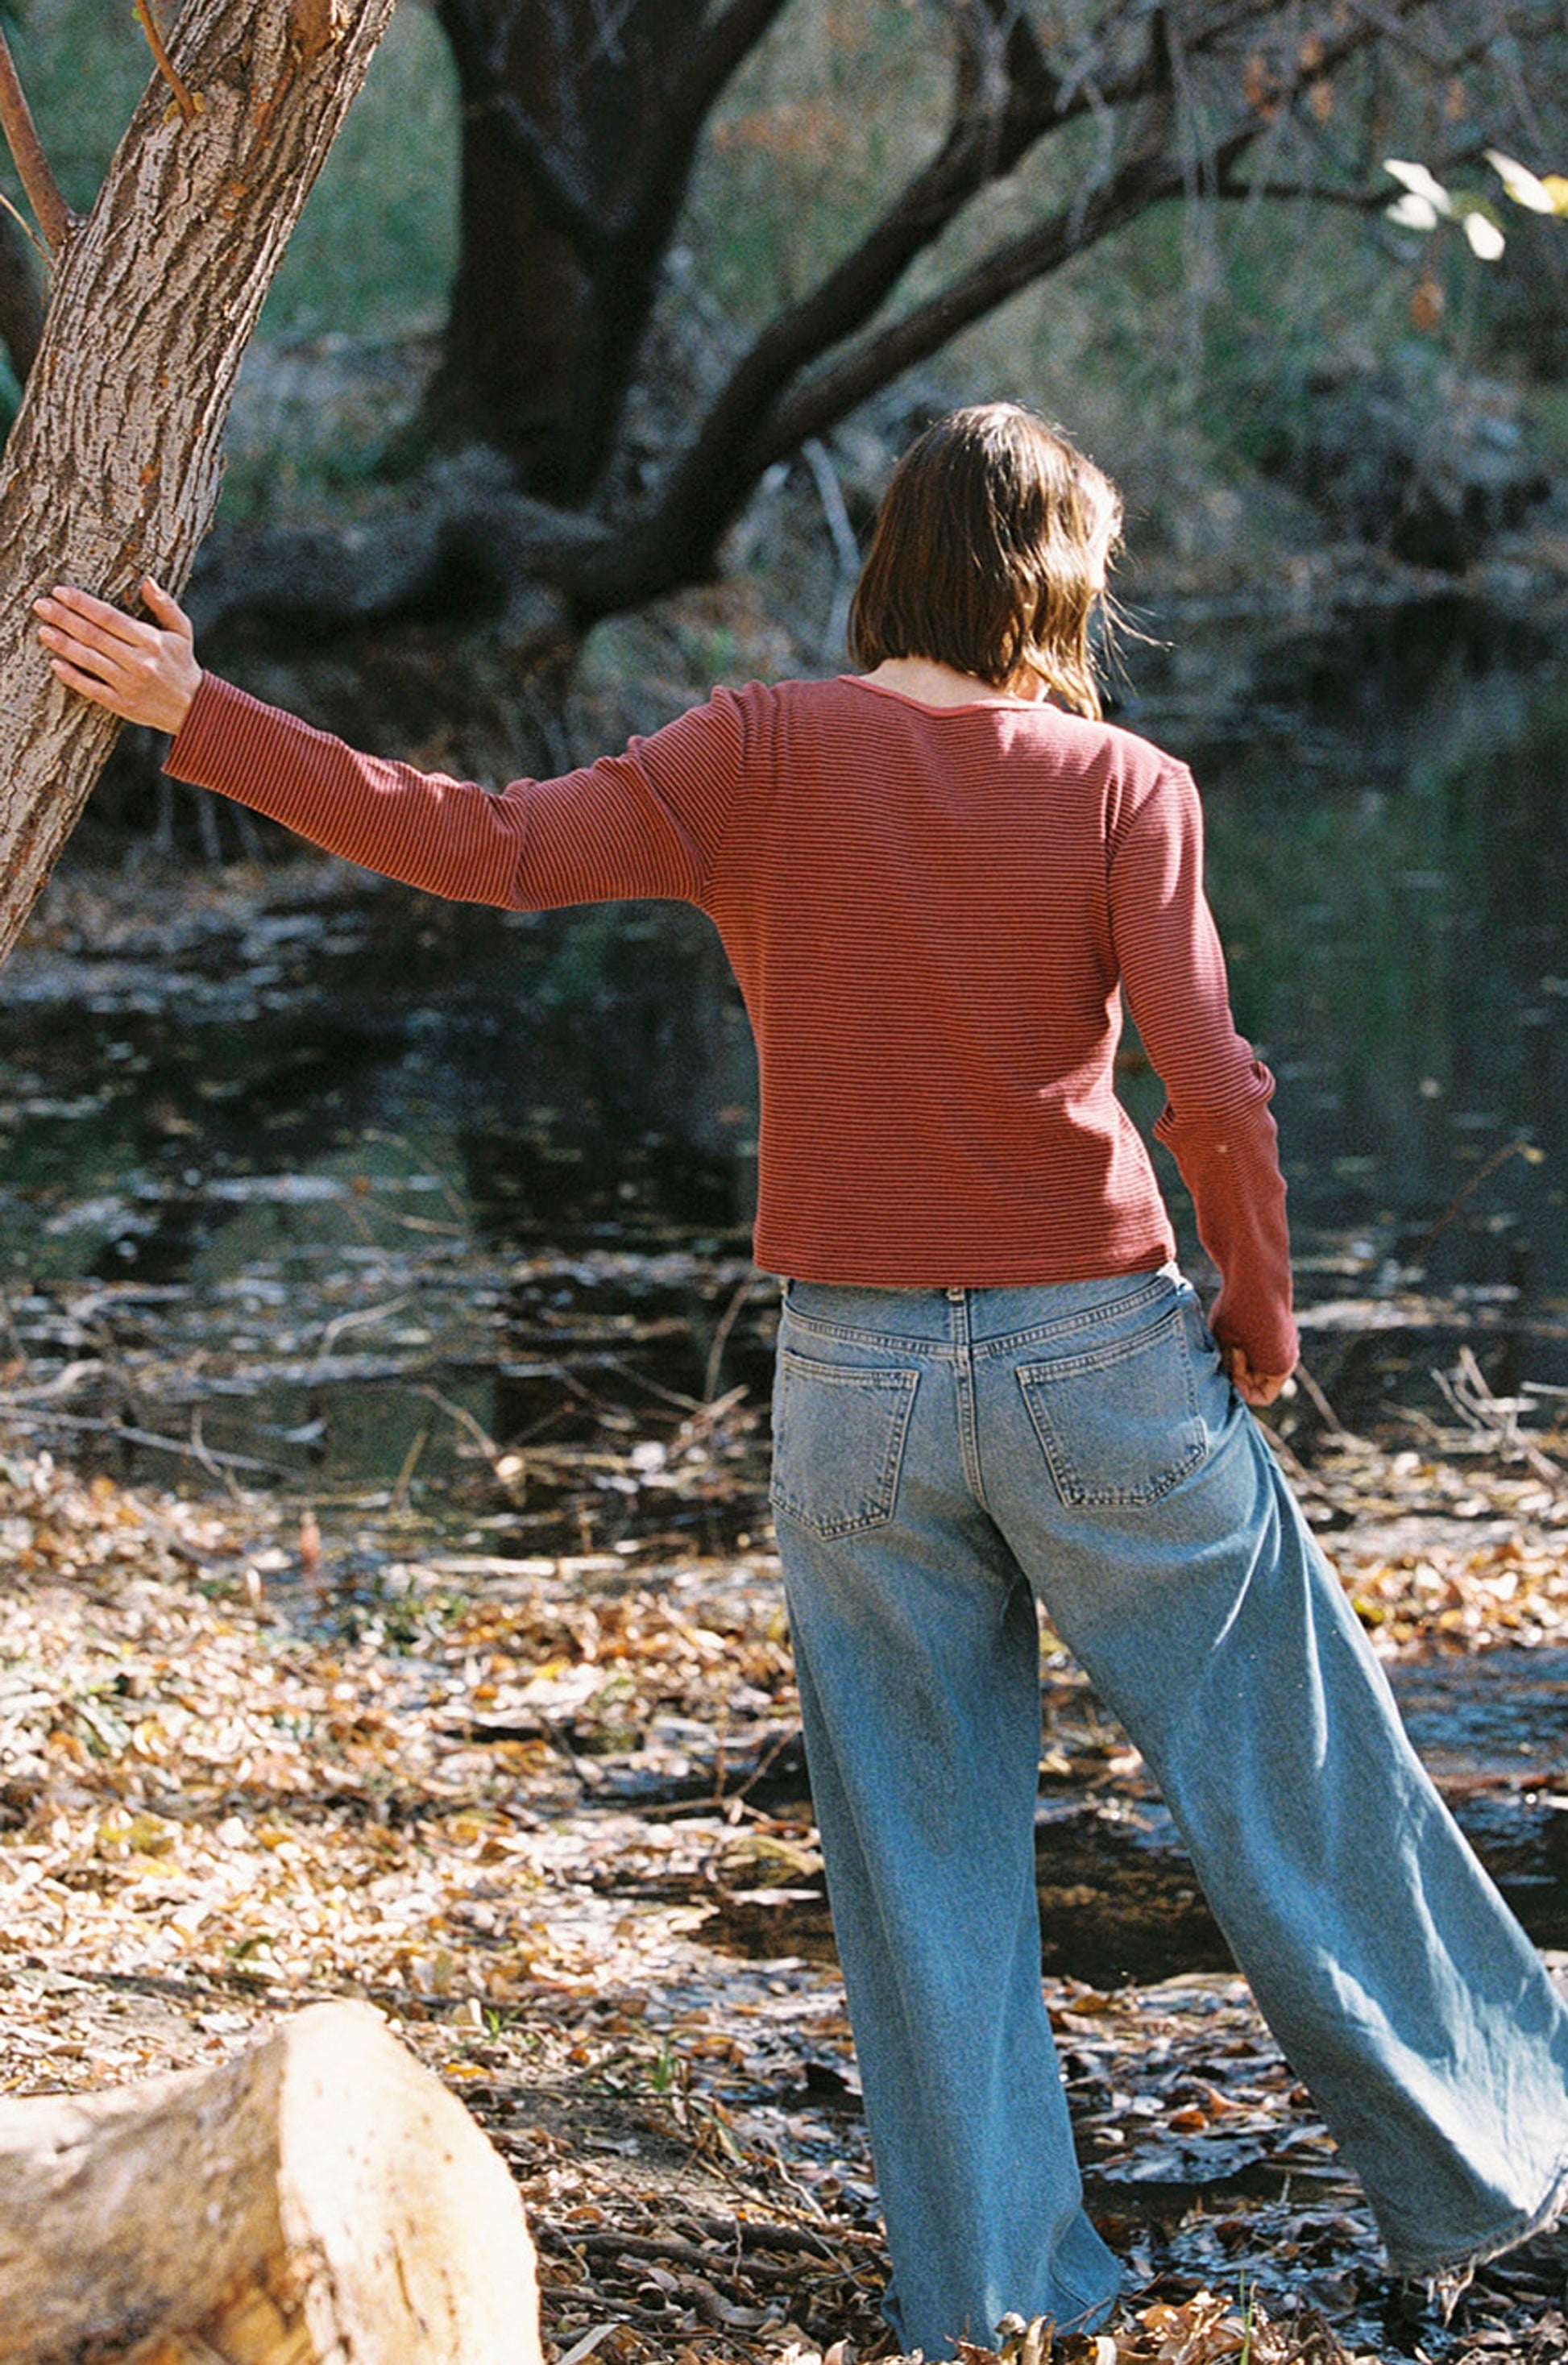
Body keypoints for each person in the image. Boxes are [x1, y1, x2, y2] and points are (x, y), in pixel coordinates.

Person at [35, 405, 1568, 2360]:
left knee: (922, 1869)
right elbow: (1216, 1090)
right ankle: (1493, 2164)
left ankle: (1003, 2310)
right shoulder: (1124, 783)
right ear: (1055, 585)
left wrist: (201, 710)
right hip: (1101, 1362)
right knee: (1294, 1776)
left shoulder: (752, 748)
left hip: (854, 1389)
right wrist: (1257, 1322)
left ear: (894, 562)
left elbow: (487, 844)